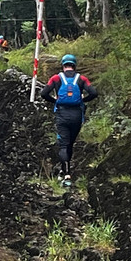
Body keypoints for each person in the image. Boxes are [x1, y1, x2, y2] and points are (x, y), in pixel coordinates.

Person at [40, 54, 98, 183]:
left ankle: (66, 174)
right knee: (70, 144)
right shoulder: (82, 79)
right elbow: (94, 93)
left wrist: (55, 101)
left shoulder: (56, 78)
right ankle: (65, 169)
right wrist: (83, 100)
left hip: (62, 115)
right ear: (74, 65)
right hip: (77, 115)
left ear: (63, 65)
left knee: (63, 145)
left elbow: (44, 93)